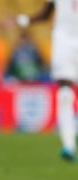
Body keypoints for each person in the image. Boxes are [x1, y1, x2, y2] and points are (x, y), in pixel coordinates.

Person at [10, 0, 78, 161]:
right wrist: (22, 20)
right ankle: (68, 145)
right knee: (65, 94)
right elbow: (47, 13)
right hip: (63, 41)